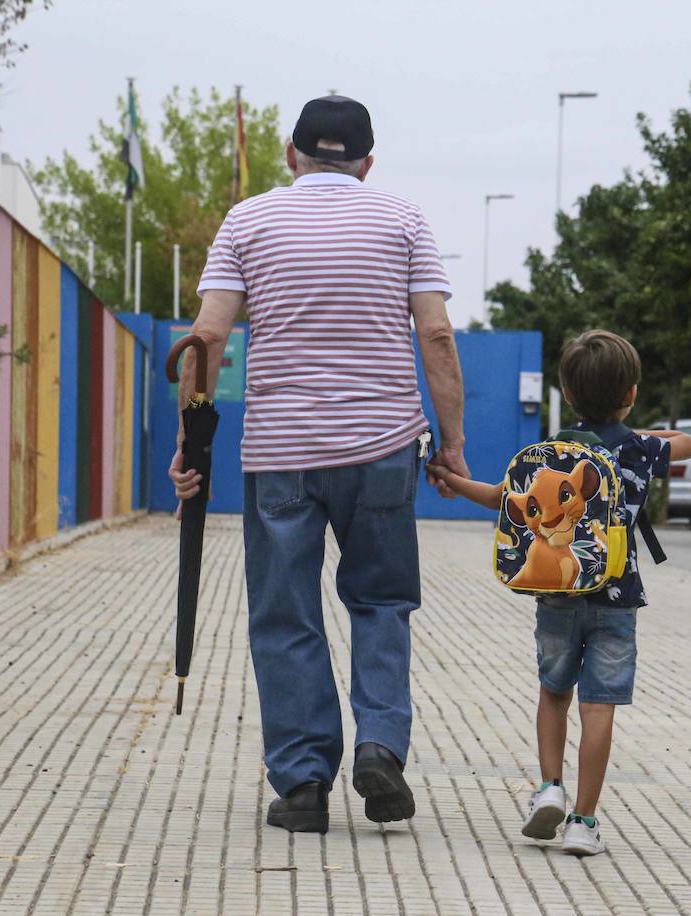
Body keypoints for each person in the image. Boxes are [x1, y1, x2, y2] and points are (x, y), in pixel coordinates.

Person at [170, 95, 469, 834]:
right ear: (368, 162)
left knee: (284, 614)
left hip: (280, 457)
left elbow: (206, 337)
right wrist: (452, 441)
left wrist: (191, 443)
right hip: (383, 450)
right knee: (380, 603)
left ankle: (303, 784)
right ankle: (379, 748)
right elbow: (434, 331)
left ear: (291, 153)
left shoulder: (248, 220)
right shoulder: (404, 220)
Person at [429, 330, 691, 856]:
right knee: (599, 708)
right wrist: (628, 430)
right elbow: (689, 443)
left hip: (556, 595)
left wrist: (454, 482)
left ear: (567, 396)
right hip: (617, 602)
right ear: (632, 394)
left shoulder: (550, 453)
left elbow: (502, 499)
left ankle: (548, 787)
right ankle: (583, 821)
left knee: (554, 695)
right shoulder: (640, 450)